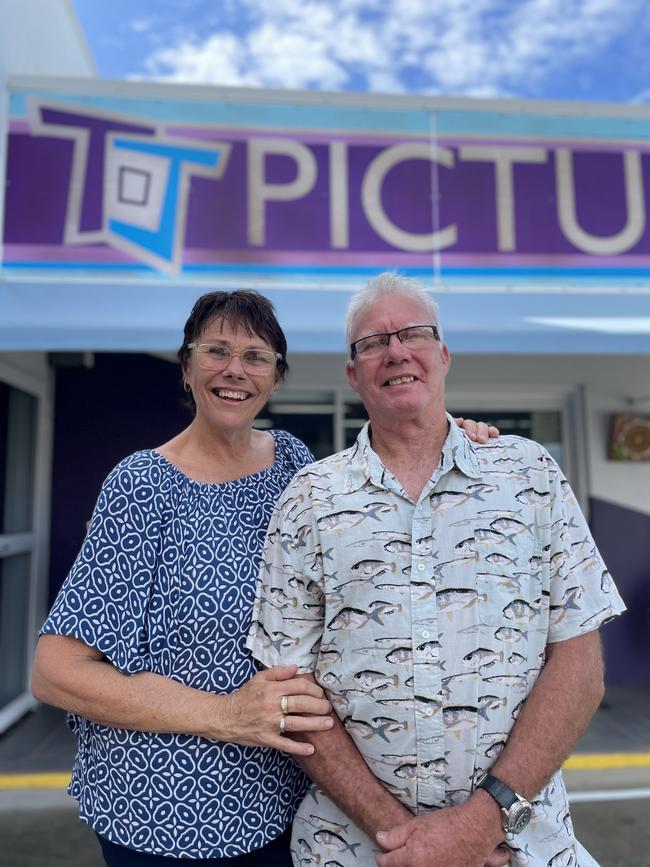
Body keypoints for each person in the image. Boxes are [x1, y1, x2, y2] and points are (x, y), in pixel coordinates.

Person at [31, 287, 496, 867]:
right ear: (187, 367)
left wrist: (452, 440)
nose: (235, 370)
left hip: (289, 800)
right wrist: (227, 716)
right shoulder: (142, 485)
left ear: (276, 377)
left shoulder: (294, 464)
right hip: (165, 812)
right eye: (216, 351)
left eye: (256, 357)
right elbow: (56, 673)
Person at [246, 272, 626, 867]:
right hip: (355, 849)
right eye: (372, 343)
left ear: (443, 355)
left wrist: (478, 825)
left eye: (413, 334)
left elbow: (581, 666)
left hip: (517, 844)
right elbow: (289, 691)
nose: (396, 351)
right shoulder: (309, 498)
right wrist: (412, 841)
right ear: (353, 373)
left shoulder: (528, 474)